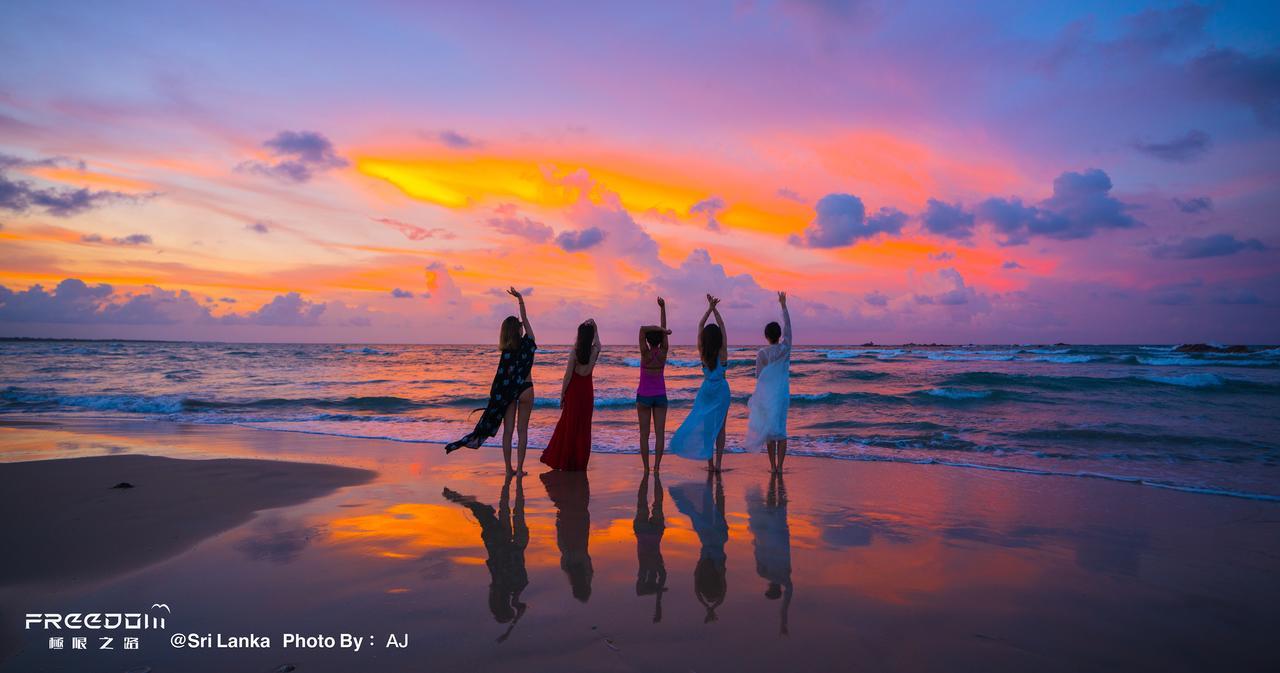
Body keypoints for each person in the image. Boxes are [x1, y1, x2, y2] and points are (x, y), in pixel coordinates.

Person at [445, 287, 536, 476]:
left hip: (509, 392)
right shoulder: (529, 342)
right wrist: (520, 299)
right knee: (523, 432)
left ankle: (508, 469)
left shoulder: (506, 352)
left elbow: (501, 378)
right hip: (527, 388)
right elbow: (526, 320)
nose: (521, 325)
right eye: (519, 325)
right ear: (518, 330)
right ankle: (519, 470)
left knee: (508, 431)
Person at [441, 475, 529, 643]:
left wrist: (511, 626)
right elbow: (520, 607)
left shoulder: (514, 588)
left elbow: (521, 608)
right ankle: (464, 500)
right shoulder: (501, 584)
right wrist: (509, 628)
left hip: (512, 548)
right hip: (500, 547)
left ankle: (465, 501)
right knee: (485, 515)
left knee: (514, 510)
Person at [669, 294, 731, 472]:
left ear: (705, 339)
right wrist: (715, 309)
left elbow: (700, 326)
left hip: (706, 392)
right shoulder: (723, 352)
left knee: (707, 428)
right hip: (722, 390)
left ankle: (710, 464)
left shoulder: (703, 352)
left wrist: (709, 309)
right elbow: (722, 326)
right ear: (719, 338)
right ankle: (718, 465)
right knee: (720, 429)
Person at [540, 319, 600, 471]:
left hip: (574, 392)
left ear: (579, 336)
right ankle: (580, 463)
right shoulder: (594, 351)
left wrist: (562, 395)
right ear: (591, 337)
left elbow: (567, 376)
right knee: (584, 428)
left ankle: (567, 461)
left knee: (569, 425)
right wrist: (595, 328)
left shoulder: (574, 352)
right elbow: (599, 344)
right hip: (587, 393)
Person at [670, 473, 729, 623]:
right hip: (707, 536)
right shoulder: (706, 567)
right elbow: (697, 588)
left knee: (717, 510)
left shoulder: (718, 568)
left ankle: (712, 487)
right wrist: (707, 607)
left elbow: (722, 591)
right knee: (702, 511)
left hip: (718, 537)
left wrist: (711, 607)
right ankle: (709, 487)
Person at [746, 291, 792, 473]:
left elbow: (759, 377)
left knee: (769, 433)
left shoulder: (762, 354)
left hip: (767, 396)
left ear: (766, 336)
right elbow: (789, 326)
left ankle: (772, 467)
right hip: (781, 395)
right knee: (781, 430)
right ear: (779, 335)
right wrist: (783, 305)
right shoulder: (785, 348)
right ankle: (780, 467)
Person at [746, 473, 793, 636]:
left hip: (776, 539)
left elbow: (757, 553)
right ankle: (776, 484)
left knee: (779, 508)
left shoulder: (782, 578)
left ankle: (776, 485)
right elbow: (757, 552)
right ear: (771, 588)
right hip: (771, 538)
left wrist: (784, 620)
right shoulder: (765, 573)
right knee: (777, 510)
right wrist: (783, 621)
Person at [541, 470, 593, 602]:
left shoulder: (578, 564)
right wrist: (558, 524)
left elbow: (563, 544)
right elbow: (562, 545)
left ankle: (570, 478)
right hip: (573, 531)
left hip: (577, 528)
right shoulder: (567, 566)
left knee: (576, 503)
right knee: (570, 503)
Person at [637, 297, 672, 473]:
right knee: (660, 433)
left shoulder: (645, 353)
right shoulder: (664, 352)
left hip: (643, 396)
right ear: (661, 338)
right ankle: (656, 468)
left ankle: (646, 468)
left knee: (644, 434)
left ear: (648, 341)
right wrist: (663, 308)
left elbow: (642, 329)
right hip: (660, 396)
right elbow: (662, 332)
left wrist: (659, 328)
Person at [634, 472, 668, 623]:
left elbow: (640, 591)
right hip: (644, 532)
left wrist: (658, 595)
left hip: (652, 533)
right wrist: (657, 600)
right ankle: (653, 473)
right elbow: (640, 590)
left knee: (655, 503)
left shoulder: (656, 567)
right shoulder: (646, 568)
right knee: (644, 502)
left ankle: (647, 473)